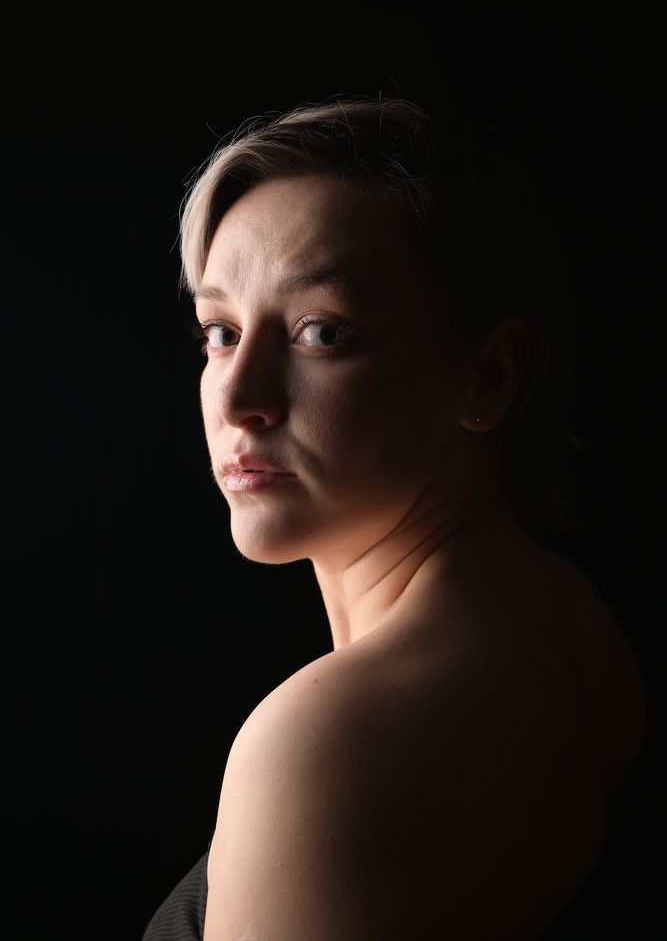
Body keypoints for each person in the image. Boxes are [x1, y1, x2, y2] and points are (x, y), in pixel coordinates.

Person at [141, 95, 647, 940]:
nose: (237, 399)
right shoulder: (567, 618)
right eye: (220, 332)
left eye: (321, 332)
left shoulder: (328, 741)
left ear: (487, 376)